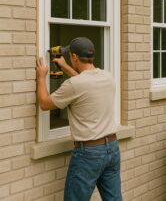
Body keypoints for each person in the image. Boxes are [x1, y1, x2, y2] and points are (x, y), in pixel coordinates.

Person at [36, 37, 122, 201]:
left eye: (70, 57)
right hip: (112, 147)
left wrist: (41, 77)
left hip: (88, 154)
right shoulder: (107, 76)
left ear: (74, 57)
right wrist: (66, 66)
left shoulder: (74, 85)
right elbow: (85, 83)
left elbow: (45, 104)